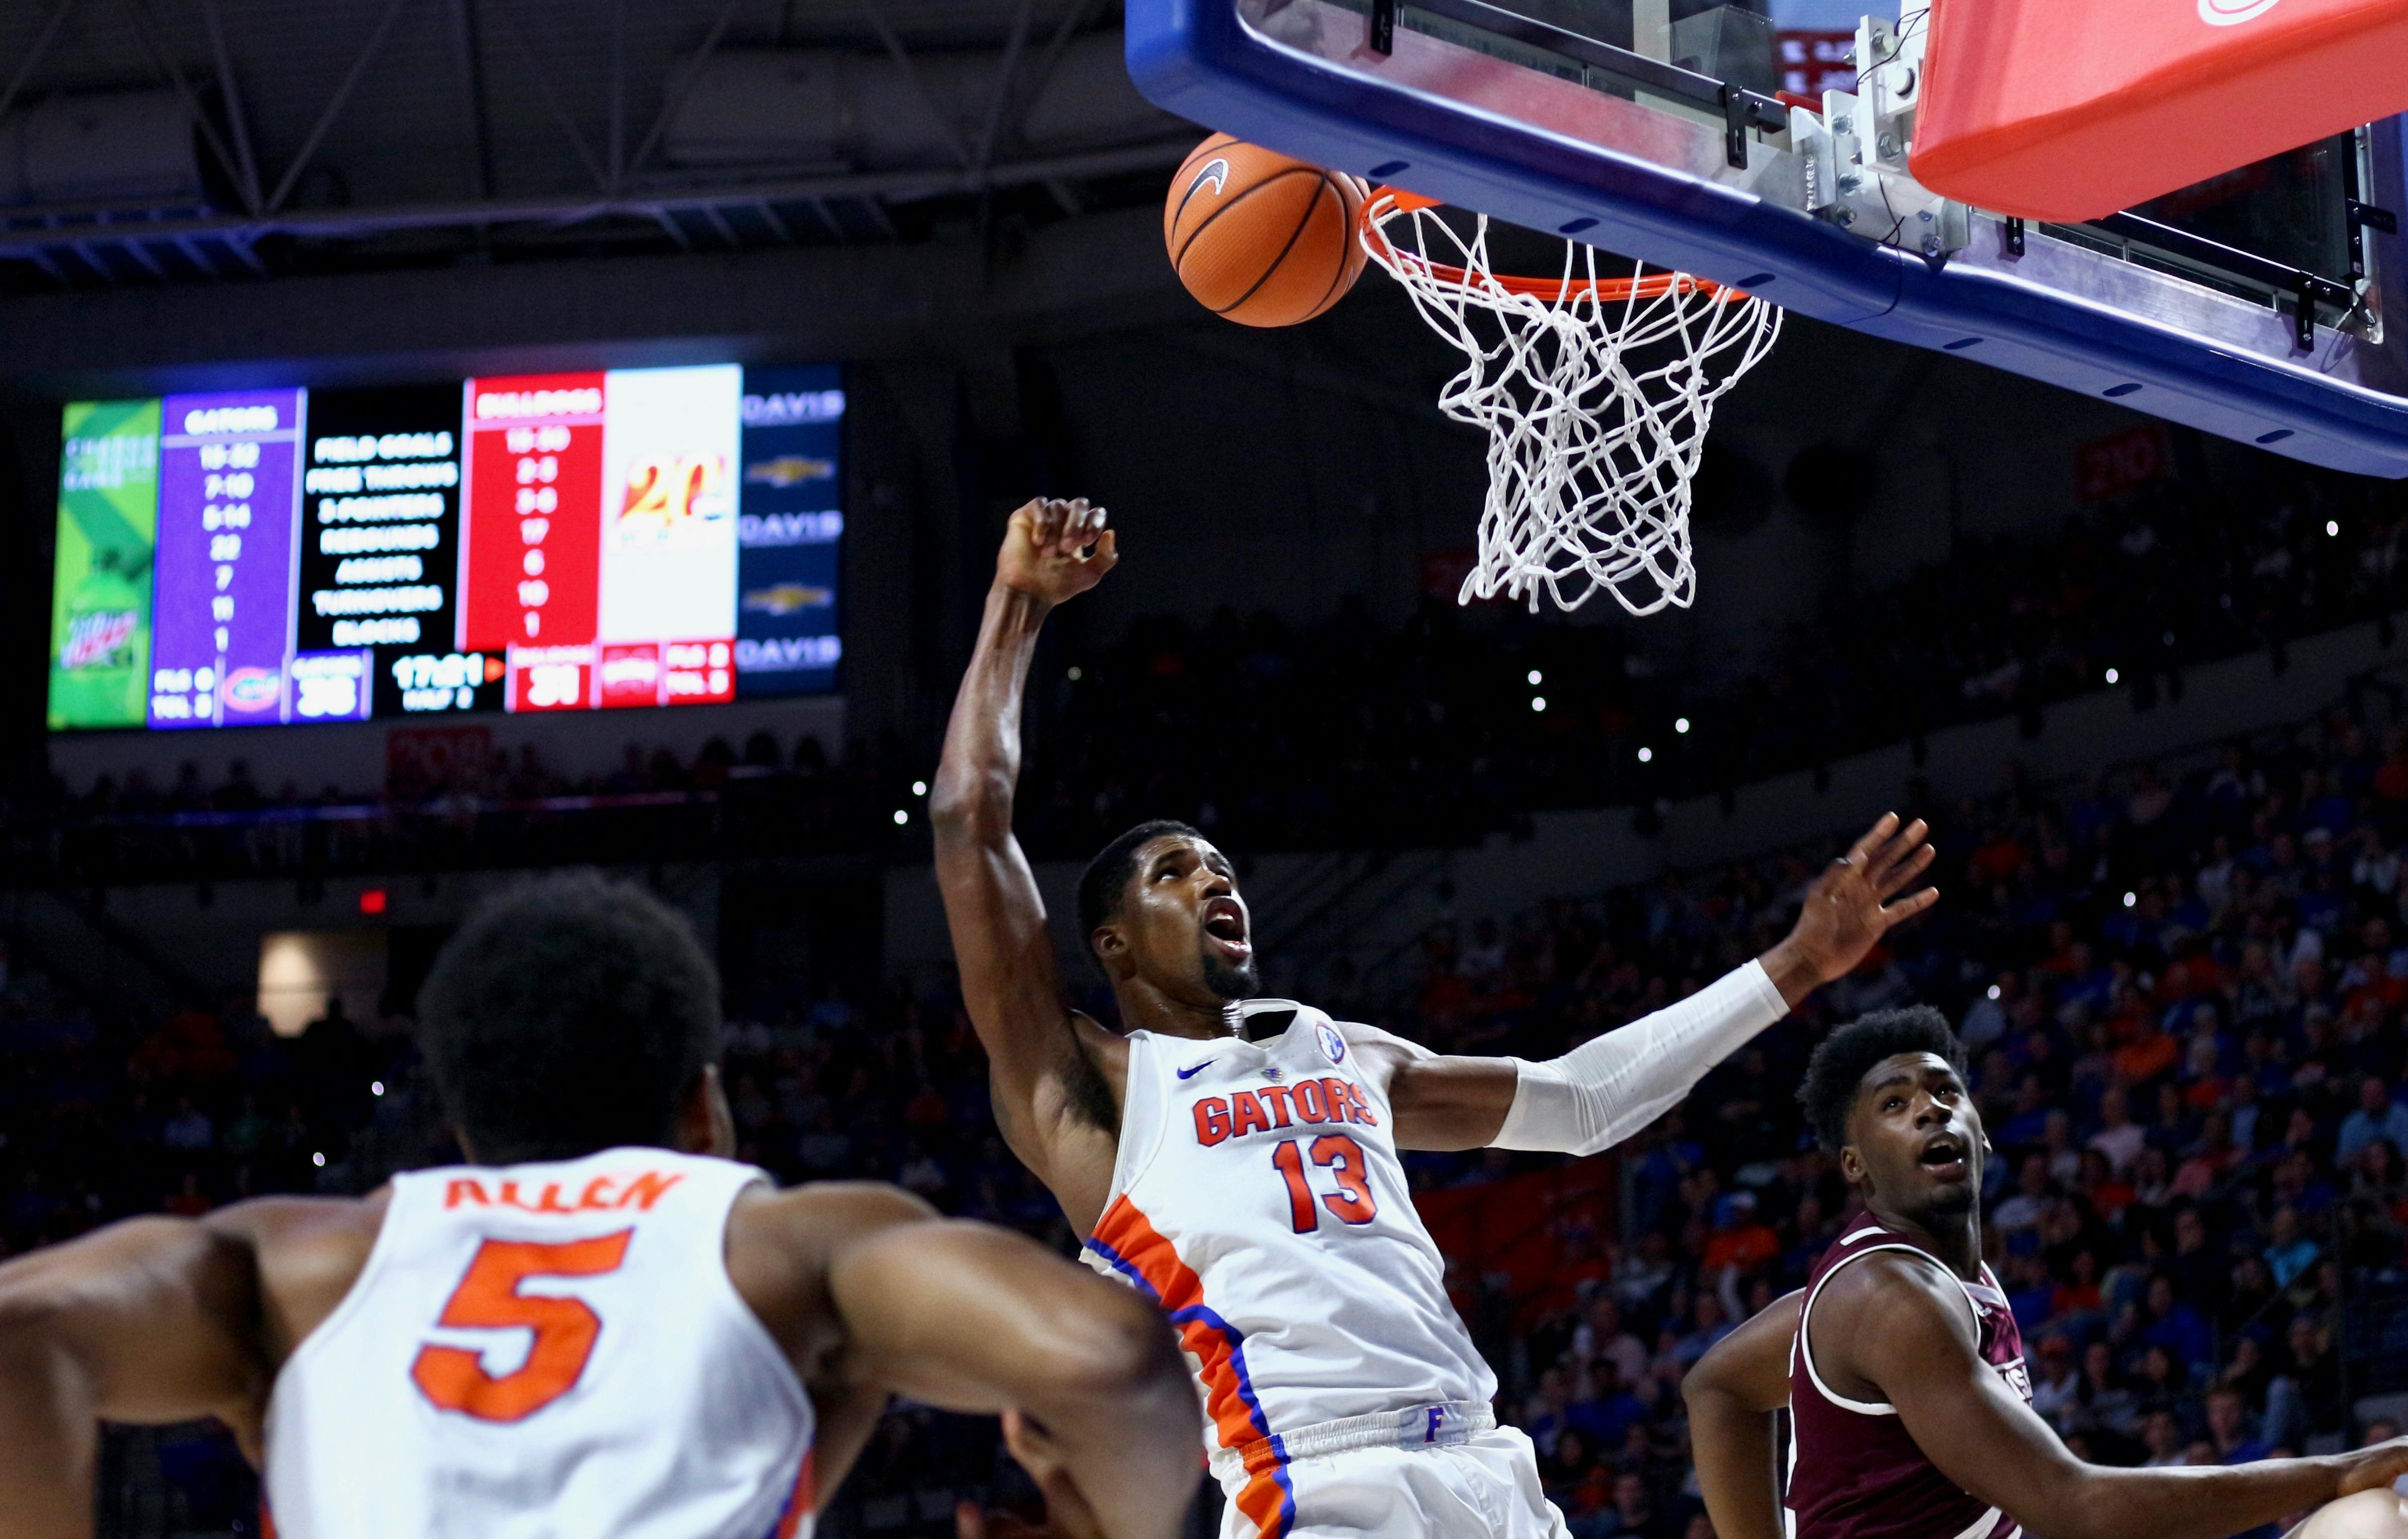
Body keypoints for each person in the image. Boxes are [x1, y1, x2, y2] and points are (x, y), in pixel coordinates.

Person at [932, 496, 1941, 1539]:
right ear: (1112, 945)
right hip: (1314, 1485)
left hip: (1485, 1466)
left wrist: (1794, 964)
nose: (1211, 880)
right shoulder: (1092, 1087)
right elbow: (969, 826)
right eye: (1173, 872)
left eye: (1220, 866)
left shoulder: (1345, 1053)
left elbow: (1583, 1101)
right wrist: (1017, 602)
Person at [0, 875, 1198, 1539]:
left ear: (461, 1127)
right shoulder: (795, 1243)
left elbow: (21, 1333)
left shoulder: (295, 1258)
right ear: (705, 1110)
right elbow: (1112, 1358)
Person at [1679, 1007, 2408, 1539]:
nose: (1929, 1109)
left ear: (1981, 1130)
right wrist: (2336, 1468)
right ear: (1855, 1166)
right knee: (2372, 1518)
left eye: (1944, 1092)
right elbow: (2072, 1505)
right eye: (1894, 1104)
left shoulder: (1911, 1282)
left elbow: (1716, 1384)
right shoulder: (1883, 1298)